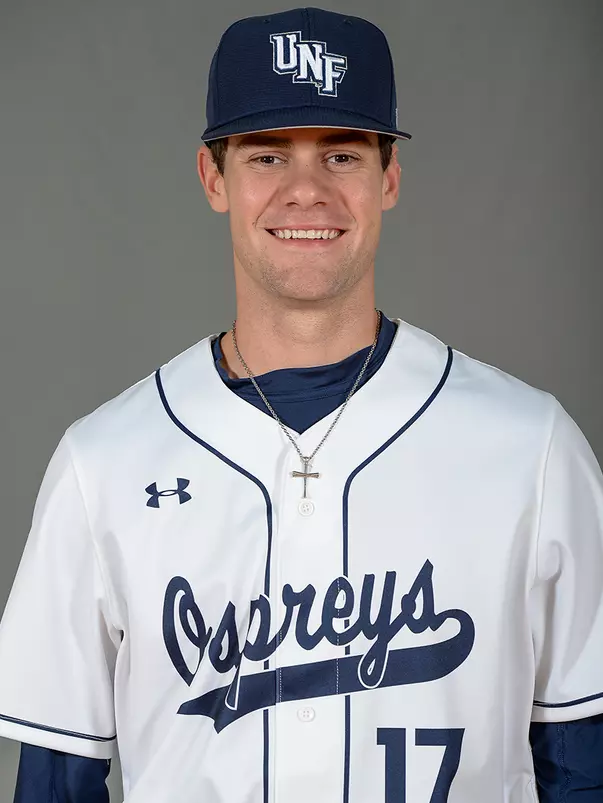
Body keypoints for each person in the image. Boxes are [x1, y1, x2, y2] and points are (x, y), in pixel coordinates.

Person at [2, 7, 603, 803]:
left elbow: (581, 767)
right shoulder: (102, 463)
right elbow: (55, 783)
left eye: (342, 153)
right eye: (267, 154)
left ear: (388, 177)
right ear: (213, 178)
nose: (306, 190)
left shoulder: (532, 450)